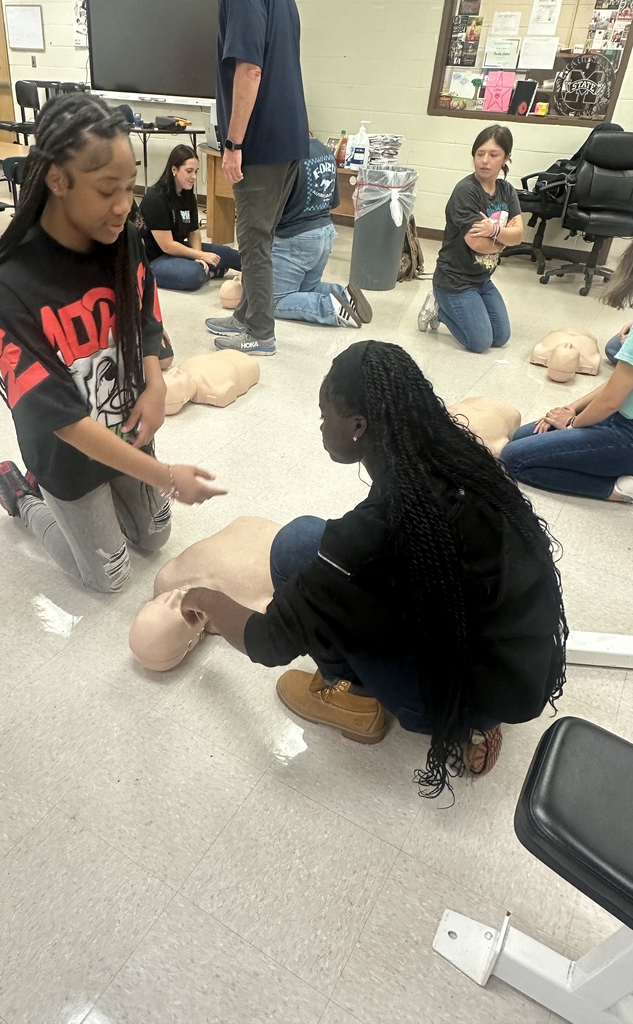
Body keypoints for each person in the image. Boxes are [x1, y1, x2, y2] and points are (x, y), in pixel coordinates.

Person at [180, 340, 568, 798]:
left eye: (326, 415)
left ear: (359, 426)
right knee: (315, 545)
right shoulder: (462, 461)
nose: (321, 425)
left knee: (295, 546)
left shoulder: (369, 535)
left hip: (453, 697)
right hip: (517, 672)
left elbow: (268, 642)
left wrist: (203, 597)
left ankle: (352, 696)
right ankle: (479, 720)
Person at [0, 93, 225, 593]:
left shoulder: (125, 239)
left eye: (129, 187)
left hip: (125, 430)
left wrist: (155, 384)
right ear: (58, 179)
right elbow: (65, 422)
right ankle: (26, 497)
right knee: (109, 575)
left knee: (155, 538)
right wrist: (164, 476)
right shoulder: (11, 286)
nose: (123, 206)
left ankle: (108, 498)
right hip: (67, 454)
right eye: (106, 189)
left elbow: (145, 316)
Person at [204, 0, 309, 357]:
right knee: (259, 237)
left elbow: (249, 70)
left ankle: (260, 332)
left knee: (252, 240)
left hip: (261, 141)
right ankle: (246, 315)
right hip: (289, 136)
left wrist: (233, 143)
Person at [418, 124, 523, 353]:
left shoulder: (507, 190)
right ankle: (439, 308)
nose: (485, 160)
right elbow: (477, 243)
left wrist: (493, 231)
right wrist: (505, 237)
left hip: (482, 278)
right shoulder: (466, 191)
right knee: (480, 343)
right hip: (454, 280)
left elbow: (520, 235)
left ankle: (461, 308)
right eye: (479, 154)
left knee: (501, 337)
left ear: (506, 158)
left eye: (493, 154)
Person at [499, 334, 633, 502]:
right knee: (523, 435)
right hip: (620, 416)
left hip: (627, 430)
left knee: (513, 458)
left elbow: (609, 402)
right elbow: (618, 382)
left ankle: (619, 490)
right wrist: (572, 409)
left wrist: (571, 424)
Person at [271, 135, 373, 328]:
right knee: (307, 288)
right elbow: (334, 201)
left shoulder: (287, 155)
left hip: (296, 237)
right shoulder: (326, 151)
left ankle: (330, 308)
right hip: (325, 232)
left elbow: (273, 206)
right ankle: (343, 295)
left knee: (274, 301)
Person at [139, 144, 241, 291]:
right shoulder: (156, 198)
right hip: (155, 258)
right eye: (189, 171)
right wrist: (200, 256)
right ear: (174, 170)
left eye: (196, 171)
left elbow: (194, 232)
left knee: (227, 253)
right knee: (194, 274)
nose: (194, 176)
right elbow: (167, 245)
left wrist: (199, 257)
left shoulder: (187, 194)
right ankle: (211, 272)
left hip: (178, 250)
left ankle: (270, 271)